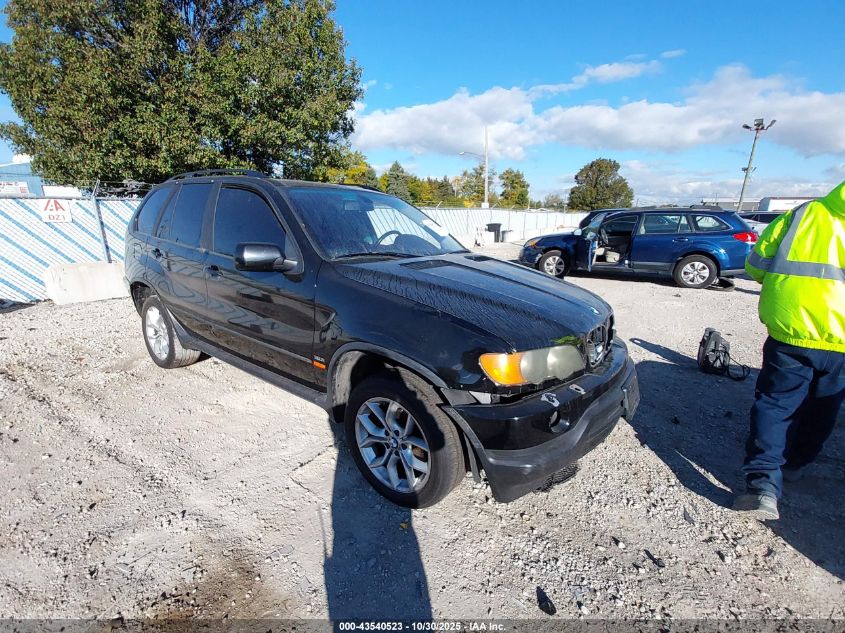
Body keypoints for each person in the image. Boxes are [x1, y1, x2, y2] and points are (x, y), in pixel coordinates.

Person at [735, 180, 845, 520]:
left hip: (791, 330)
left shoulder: (802, 215)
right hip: (841, 340)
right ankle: (797, 462)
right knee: (824, 406)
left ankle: (763, 487)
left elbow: (755, 265)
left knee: (775, 403)